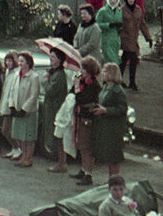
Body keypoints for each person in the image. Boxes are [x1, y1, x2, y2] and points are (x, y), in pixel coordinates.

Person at [92, 62, 129, 177]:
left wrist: (106, 110)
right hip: (105, 126)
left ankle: (114, 178)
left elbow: (122, 109)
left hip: (114, 128)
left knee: (114, 156)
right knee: (108, 155)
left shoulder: (118, 90)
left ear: (111, 74)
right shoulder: (105, 87)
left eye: (104, 71)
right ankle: (111, 178)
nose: (102, 74)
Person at [71, 55, 102, 186]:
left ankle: (88, 173)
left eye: (83, 69)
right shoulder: (84, 82)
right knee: (81, 145)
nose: (81, 71)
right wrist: (76, 84)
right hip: (81, 116)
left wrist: (77, 87)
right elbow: (72, 93)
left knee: (86, 146)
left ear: (89, 71)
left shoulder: (94, 85)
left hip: (88, 118)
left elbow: (82, 99)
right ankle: (83, 169)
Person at [9, 52, 40, 168]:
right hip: (17, 110)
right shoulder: (16, 75)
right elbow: (12, 91)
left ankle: (28, 158)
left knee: (28, 137)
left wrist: (24, 109)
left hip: (28, 112)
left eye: (22, 61)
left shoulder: (34, 77)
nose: (20, 63)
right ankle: (23, 156)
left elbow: (34, 95)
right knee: (20, 135)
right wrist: (12, 106)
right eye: (19, 61)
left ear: (28, 63)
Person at [41, 49, 70, 173]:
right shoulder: (54, 73)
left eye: (53, 57)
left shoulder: (60, 75)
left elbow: (50, 91)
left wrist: (45, 81)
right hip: (52, 108)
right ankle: (60, 161)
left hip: (56, 108)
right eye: (50, 56)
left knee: (58, 136)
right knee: (54, 135)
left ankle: (62, 162)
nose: (50, 59)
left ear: (59, 59)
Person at [119, 0, 152, 90]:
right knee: (131, 58)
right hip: (125, 38)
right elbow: (118, 25)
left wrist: (148, 38)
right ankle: (128, 82)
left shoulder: (138, 10)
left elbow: (143, 24)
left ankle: (124, 81)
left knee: (126, 60)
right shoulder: (122, 10)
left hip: (134, 39)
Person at [0, 51, 21, 158]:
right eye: (6, 61)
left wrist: (11, 104)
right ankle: (15, 148)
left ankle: (17, 148)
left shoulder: (16, 73)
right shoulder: (8, 72)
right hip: (5, 103)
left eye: (10, 61)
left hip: (11, 105)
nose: (8, 63)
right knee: (7, 130)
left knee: (6, 130)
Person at [97, 0, 123, 65]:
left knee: (115, 57)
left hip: (116, 39)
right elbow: (97, 24)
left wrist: (120, 26)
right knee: (112, 60)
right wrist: (108, 25)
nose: (113, 1)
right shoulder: (102, 11)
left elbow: (121, 22)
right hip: (106, 38)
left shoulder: (119, 11)